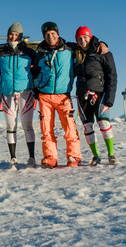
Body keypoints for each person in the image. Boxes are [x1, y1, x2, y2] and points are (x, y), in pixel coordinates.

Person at [33, 22, 82, 168]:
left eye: (53, 34)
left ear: (58, 34)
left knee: (69, 127)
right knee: (46, 129)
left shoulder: (70, 48)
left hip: (63, 96)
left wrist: (101, 43)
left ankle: (73, 156)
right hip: (45, 96)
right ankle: (50, 157)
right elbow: (34, 72)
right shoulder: (39, 52)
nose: (50, 37)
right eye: (47, 35)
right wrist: (36, 88)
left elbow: (87, 43)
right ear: (44, 36)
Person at [74, 26, 118, 165]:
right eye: (79, 38)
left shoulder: (103, 52)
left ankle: (111, 154)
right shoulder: (74, 53)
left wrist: (110, 98)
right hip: (82, 95)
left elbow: (112, 75)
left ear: (90, 37)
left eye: (85, 37)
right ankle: (95, 156)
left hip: (100, 94)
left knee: (104, 123)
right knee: (87, 126)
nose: (83, 40)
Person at [0, 22, 37, 169]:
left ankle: (31, 158)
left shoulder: (29, 53)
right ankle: (13, 158)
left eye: (16, 34)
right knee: (11, 126)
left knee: (27, 126)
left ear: (20, 36)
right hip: (8, 94)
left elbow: (37, 69)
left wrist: (32, 84)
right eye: (11, 34)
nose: (13, 37)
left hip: (25, 93)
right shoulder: (0, 53)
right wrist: (3, 82)